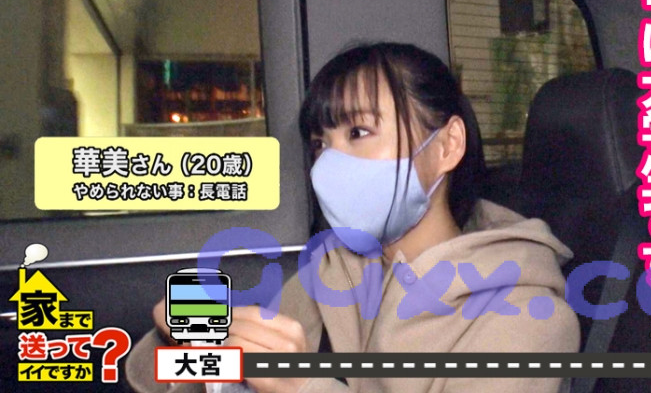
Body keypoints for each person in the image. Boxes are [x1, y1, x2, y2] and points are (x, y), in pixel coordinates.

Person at [126, 42, 580, 393]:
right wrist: (184, 340)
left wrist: (302, 385)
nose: (327, 164)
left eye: (359, 131)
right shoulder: (332, 271)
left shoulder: (529, 319)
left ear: (447, 146)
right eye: (320, 144)